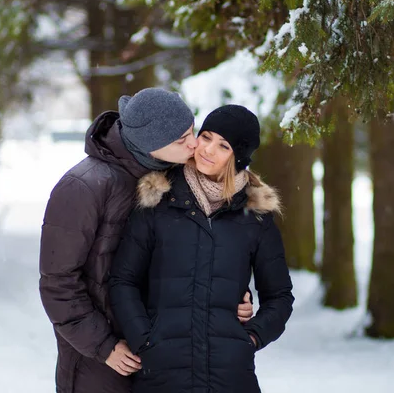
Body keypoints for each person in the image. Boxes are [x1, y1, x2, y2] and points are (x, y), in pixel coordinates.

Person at [39, 89, 254, 393]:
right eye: (182, 139)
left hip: (162, 358)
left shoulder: (180, 179)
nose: (194, 144)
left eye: (192, 131)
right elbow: (58, 283)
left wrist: (236, 294)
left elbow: (200, 251)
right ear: (151, 145)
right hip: (101, 365)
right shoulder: (83, 187)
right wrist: (104, 346)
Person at [109, 104, 295, 393]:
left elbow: (280, 296)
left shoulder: (255, 216)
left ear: (239, 157)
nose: (208, 149)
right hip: (161, 374)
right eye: (206, 137)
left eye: (223, 146)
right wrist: (145, 340)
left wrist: (251, 339)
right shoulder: (158, 201)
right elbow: (123, 281)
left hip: (230, 377)